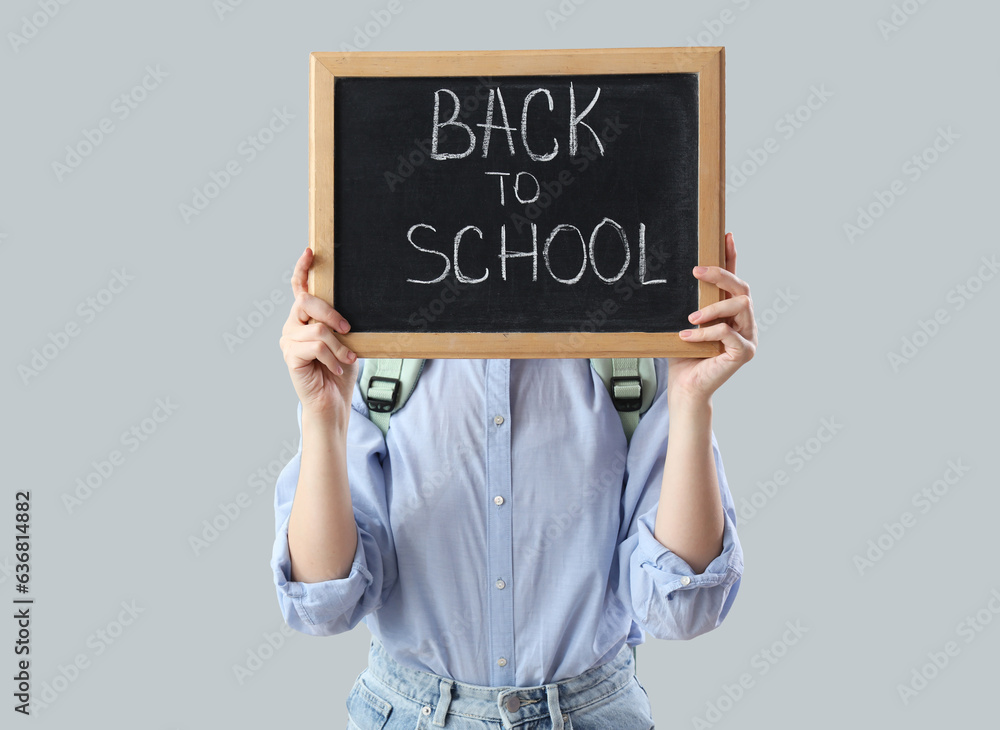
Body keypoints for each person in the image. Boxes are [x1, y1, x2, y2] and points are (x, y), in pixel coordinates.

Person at [271, 232, 756, 729]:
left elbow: (683, 608)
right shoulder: (371, 341)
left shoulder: (637, 345)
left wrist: (692, 401)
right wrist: (321, 416)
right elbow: (324, 602)